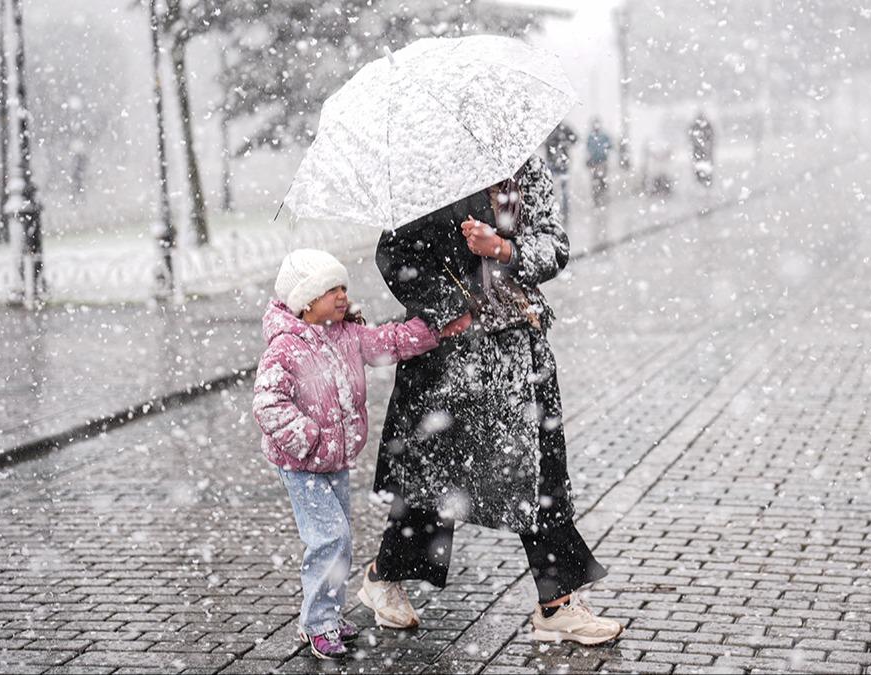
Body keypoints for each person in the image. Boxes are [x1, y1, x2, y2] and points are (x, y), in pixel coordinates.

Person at [358, 155, 624, 645]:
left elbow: (554, 245)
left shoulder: (529, 172)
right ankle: (384, 576)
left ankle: (558, 603)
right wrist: (448, 309)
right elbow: (394, 256)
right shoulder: (431, 172)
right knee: (435, 475)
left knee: (541, 473)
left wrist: (503, 248)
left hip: (520, 345)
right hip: (453, 356)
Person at [252, 249, 441, 660]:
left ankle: (324, 616)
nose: (341, 295)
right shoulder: (286, 348)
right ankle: (319, 622)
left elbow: (388, 342)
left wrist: (434, 329)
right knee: (330, 538)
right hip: (303, 465)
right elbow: (268, 402)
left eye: (343, 287)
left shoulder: (346, 336)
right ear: (305, 300)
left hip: (334, 462)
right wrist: (309, 438)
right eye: (329, 289)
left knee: (339, 539)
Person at [544, 121, 577, 226]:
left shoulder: (563, 128)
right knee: (552, 188)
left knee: (561, 189)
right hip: (554, 163)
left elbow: (575, 139)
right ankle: (554, 209)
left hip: (561, 164)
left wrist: (566, 142)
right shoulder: (550, 129)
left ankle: (563, 209)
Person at [585, 119, 612, 207]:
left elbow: (610, 145)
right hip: (594, 162)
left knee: (602, 180)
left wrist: (604, 151)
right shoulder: (590, 137)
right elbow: (588, 149)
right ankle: (596, 199)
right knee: (594, 181)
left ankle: (603, 198)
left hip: (602, 162)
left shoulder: (604, 136)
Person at [688, 111, 715, 188]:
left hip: (703, 154)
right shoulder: (703, 127)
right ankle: (702, 184)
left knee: (704, 170)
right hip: (701, 154)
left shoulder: (700, 127)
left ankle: (704, 185)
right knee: (700, 170)